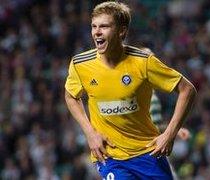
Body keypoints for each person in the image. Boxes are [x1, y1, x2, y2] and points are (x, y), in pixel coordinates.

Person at [64, 1, 196, 180]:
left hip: (149, 153)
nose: (97, 32)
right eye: (94, 26)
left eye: (104, 26)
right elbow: (71, 96)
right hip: (111, 157)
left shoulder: (143, 62)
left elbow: (187, 90)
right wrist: (90, 133)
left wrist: (170, 134)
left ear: (122, 31)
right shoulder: (81, 64)